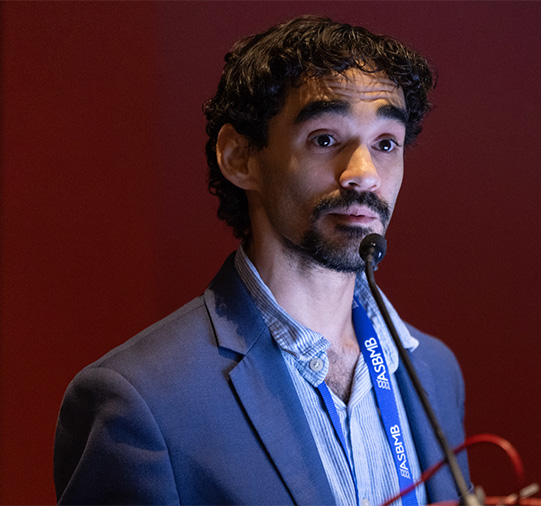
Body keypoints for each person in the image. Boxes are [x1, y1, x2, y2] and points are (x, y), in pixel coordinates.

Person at [54, 15, 469, 505]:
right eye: (325, 139)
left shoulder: (433, 371)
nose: (364, 175)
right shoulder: (141, 402)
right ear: (240, 158)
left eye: (385, 144)